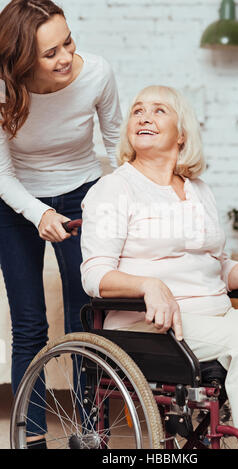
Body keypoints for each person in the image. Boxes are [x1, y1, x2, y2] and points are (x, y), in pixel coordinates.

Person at [80, 84, 238, 449]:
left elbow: (216, 266)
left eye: (159, 110)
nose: (145, 116)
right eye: (137, 110)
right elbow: (94, 275)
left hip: (215, 316)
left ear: (182, 134)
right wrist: (148, 285)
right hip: (149, 326)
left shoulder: (198, 189)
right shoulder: (114, 189)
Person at [0, 0, 122, 448]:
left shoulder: (97, 73)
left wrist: (115, 204)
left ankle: (91, 435)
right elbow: (2, 174)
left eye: (67, 41)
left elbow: (115, 142)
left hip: (83, 193)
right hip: (15, 204)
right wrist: (39, 213)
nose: (66, 57)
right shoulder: (1, 88)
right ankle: (31, 438)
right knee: (30, 324)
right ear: (21, 58)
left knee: (85, 317)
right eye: (49, 53)